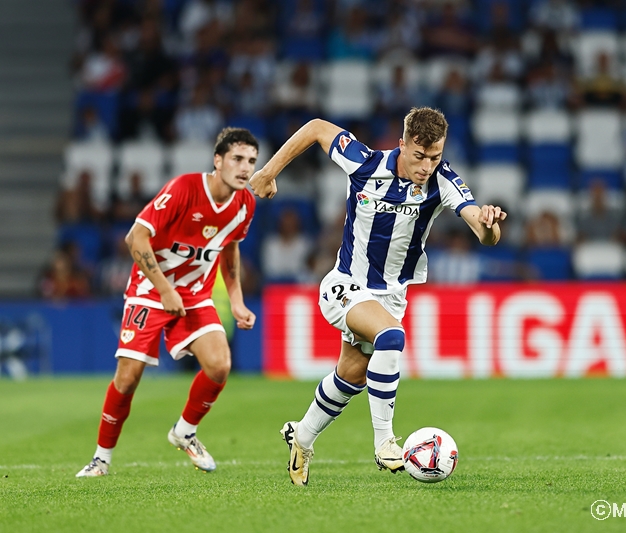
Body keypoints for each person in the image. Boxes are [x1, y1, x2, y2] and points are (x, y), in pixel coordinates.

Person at [249, 107, 506, 486]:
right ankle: (385, 442)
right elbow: (318, 128)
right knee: (391, 337)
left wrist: (488, 227)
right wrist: (269, 172)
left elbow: (481, 230)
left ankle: (301, 437)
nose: (425, 166)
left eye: (434, 157)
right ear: (402, 145)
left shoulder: (443, 181)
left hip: (390, 297)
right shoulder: (366, 162)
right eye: (419, 156)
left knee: (350, 376)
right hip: (344, 285)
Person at [75, 128, 259, 477]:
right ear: (217, 161)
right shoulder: (184, 189)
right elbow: (136, 237)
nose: (245, 168)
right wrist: (163, 289)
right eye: (237, 158)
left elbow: (231, 246)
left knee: (219, 365)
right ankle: (101, 458)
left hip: (194, 294)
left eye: (251, 161)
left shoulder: (244, 204)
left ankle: (185, 432)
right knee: (128, 379)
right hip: (150, 287)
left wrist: (236, 300)